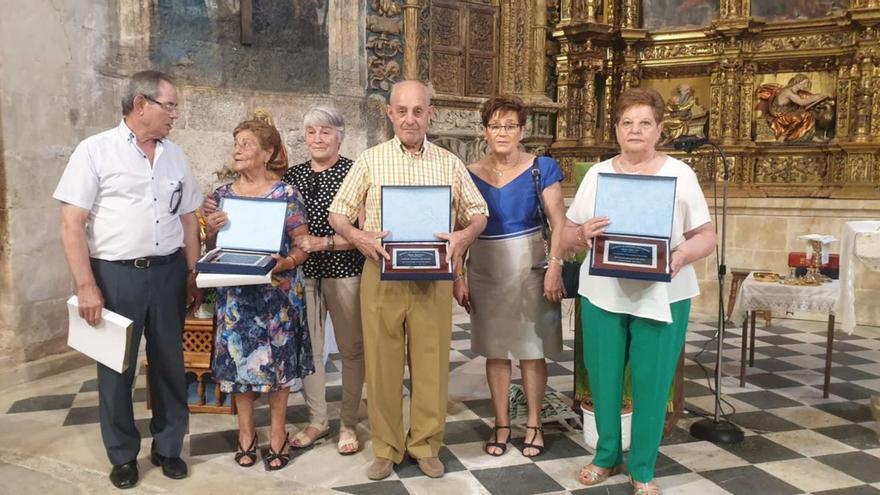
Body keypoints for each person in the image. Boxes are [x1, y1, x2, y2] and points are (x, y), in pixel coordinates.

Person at [328, 80, 488, 480]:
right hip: (381, 272)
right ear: (390, 114)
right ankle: (386, 447)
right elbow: (338, 214)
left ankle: (426, 444)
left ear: (430, 113)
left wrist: (463, 235)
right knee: (381, 364)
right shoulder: (370, 160)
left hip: (433, 277)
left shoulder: (449, 163)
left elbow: (478, 211)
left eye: (418, 111)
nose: (410, 119)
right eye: (402, 111)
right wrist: (358, 236)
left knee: (432, 363)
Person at [562, 88, 716, 495]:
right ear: (616, 129)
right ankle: (606, 455)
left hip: (664, 292)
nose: (635, 130)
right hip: (603, 291)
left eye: (645, 122)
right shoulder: (597, 175)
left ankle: (643, 466)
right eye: (627, 122)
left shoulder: (680, 174)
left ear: (659, 130)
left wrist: (681, 255)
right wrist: (580, 233)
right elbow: (566, 236)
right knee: (604, 378)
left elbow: (705, 235)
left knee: (652, 381)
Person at [54, 70, 201, 489]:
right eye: (169, 105)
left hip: (170, 271)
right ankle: (122, 454)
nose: (175, 114)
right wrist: (86, 285)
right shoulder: (94, 151)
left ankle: (168, 446)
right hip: (115, 275)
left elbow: (188, 217)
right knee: (115, 368)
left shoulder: (176, 155)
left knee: (171, 364)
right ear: (141, 105)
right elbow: (71, 223)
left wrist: (191, 272)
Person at [454, 95, 565, 458]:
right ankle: (501, 423)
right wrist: (458, 275)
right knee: (495, 351)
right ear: (485, 130)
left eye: (510, 126)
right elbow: (461, 229)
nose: (503, 132)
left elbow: (559, 223)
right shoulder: (468, 172)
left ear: (523, 129)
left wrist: (556, 267)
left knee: (533, 351)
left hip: (531, 266)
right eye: (495, 125)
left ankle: (534, 423)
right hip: (484, 268)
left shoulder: (541, 168)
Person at [203, 114, 314, 471]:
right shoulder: (220, 196)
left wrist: (285, 263)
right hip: (236, 297)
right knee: (238, 364)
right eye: (236, 144)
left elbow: (303, 245)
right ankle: (246, 434)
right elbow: (211, 247)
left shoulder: (286, 194)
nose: (238, 150)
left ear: (267, 153)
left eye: (246, 144)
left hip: (277, 297)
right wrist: (210, 231)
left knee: (278, 369)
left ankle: (278, 434)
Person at [281, 106, 366, 455]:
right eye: (312, 131)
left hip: (346, 270)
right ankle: (317, 420)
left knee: (352, 350)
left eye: (326, 132)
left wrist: (324, 243)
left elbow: (364, 232)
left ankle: (347, 422)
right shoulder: (292, 175)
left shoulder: (355, 172)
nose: (317, 138)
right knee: (311, 351)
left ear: (340, 136)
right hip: (305, 274)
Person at [756, 73, 833, 143]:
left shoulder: (794, 92)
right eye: (804, 83)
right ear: (798, 82)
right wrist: (818, 96)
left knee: (811, 113)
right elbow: (802, 102)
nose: (806, 86)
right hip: (780, 115)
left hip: (787, 112)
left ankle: (811, 135)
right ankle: (784, 136)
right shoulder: (788, 92)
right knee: (804, 115)